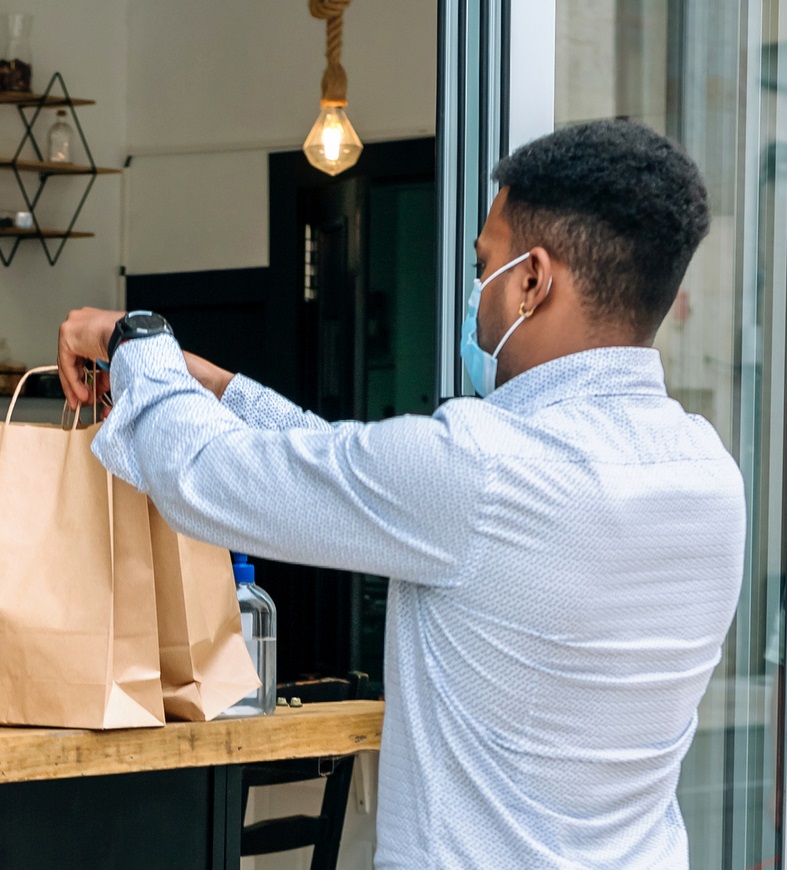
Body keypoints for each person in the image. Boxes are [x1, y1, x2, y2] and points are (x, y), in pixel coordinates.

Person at [56, 120, 744, 867]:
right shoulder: (708, 473)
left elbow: (207, 478)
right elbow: (354, 479)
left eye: (484, 265)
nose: (475, 293)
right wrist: (216, 385)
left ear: (531, 280)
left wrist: (136, 340)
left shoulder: (480, 468)